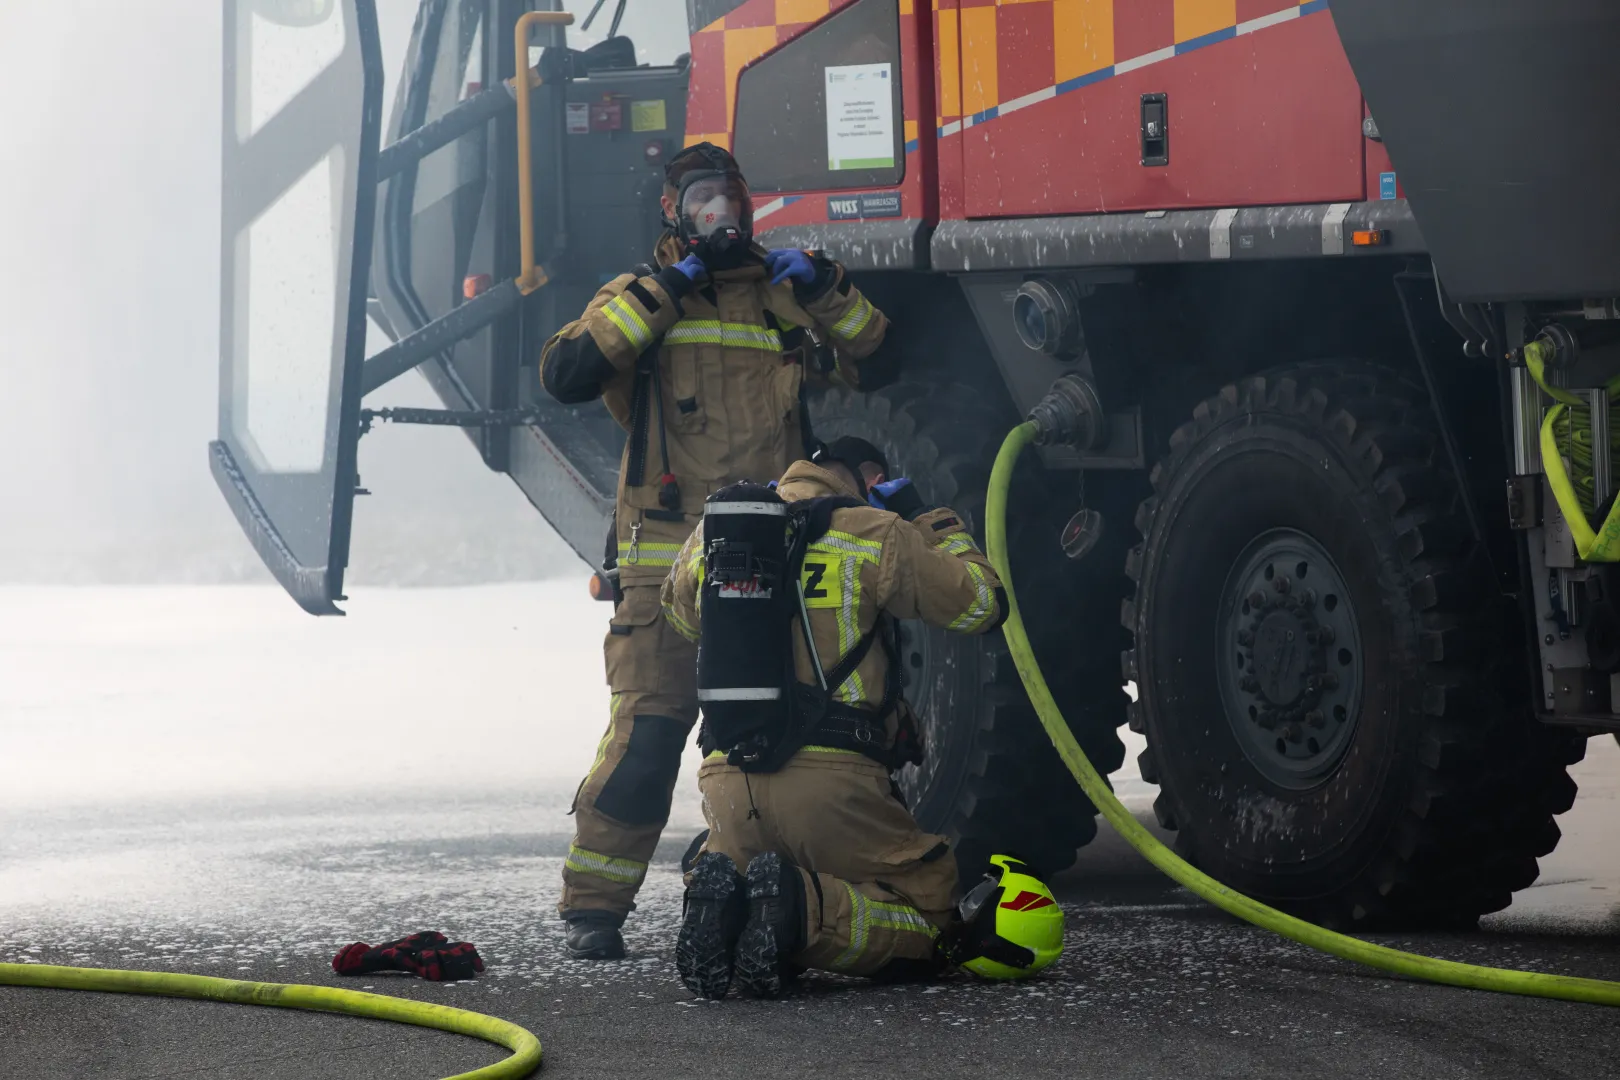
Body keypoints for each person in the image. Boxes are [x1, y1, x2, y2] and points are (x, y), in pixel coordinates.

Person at [537, 143, 893, 960]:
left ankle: (764, 892)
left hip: (774, 556)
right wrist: (673, 284)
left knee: (780, 737)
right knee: (651, 731)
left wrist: (827, 290)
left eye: (730, 198)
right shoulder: (645, 297)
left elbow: (883, 358)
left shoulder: (783, 296)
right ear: (672, 213)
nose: (721, 215)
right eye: (701, 201)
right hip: (667, 554)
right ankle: (595, 904)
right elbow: (566, 371)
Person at [660, 439, 1064, 997]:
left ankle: (730, 902)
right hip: (833, 788)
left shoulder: (717, 532)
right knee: (932, 917)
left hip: (727, 784)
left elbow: (681, 618)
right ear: (870, 476)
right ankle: (796, 911)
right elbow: (982, 603)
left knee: (753, 864)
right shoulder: (874, 530)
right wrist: (932, 520)